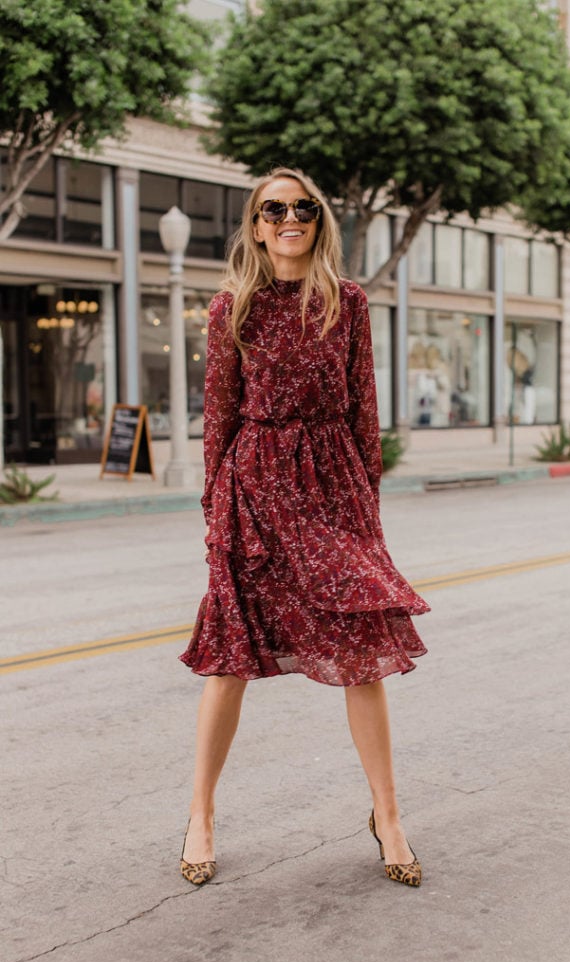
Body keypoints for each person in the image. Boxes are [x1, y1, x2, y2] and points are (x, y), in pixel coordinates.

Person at [179, 167, 429, 888]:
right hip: (253, 489)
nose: (289, 218)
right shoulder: (233, 309)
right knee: (230, 658)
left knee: (360, 648)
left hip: (330, 486)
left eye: (303, 208)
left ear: (318, 221)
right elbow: (219, 418)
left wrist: (366, 516)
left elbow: (363, 411)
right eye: (273, 209)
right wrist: (214, 514)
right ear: (256, 226)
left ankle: (387, 815)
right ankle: (200, 812)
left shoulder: (346, 304)